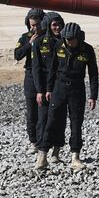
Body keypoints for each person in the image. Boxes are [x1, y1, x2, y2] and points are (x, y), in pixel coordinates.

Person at [48, 22, 99, 171]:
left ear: (78, 38)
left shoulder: (87, 49)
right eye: (67, 39)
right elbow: (52, 69)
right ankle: (54, 151)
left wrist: (93, 95)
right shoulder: (59, 46)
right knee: (56, 119)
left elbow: (93, 74)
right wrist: (48, 89)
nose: (69, 42)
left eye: (71, 39)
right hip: (59, 87)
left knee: (76, 123)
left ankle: (75, 156)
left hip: (77, 89)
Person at [33, 11, 64, 171]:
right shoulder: (39, 43)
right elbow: (36, 69)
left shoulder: (66, 42)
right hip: (44, 86)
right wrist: (39, 90)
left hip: (60, 86)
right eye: (54, 25)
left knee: (59, 120)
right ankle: (41, 150)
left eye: (59, 25)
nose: (57, 28)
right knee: (43, 119)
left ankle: (56, 152)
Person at [13, 8, 45, 154]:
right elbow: (17, 55)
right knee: (32, 113)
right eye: (32, 25)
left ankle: (44, 141)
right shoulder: (25, 37)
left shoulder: (47, 37)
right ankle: (33, 141)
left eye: (37, 24)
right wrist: (29, 44)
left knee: (44, 111)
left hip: (45, 76)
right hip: (31, 76)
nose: (35, 28)